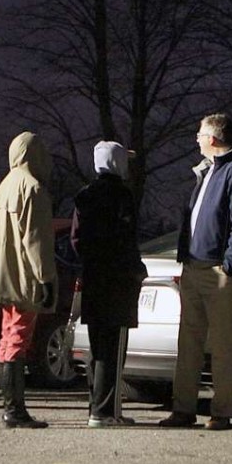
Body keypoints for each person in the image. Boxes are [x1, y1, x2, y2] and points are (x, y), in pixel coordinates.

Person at [160, 113, 232, 430]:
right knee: (188, 341)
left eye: (200, 134)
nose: (197, 140)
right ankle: (183, 408)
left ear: (213, 139)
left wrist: (229, 265)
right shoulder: (206, 173)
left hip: (216, 269)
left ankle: (221, 411)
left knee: (220, 344)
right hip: (193, 266)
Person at [0, 131, 56, 429]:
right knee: (18, 339)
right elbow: (36, 241)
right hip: (24, 275)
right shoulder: (33, 187)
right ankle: (15, 410)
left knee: (7, 338)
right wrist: (47, 279)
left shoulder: (4, 185)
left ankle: (11, 406)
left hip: (1, 274)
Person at [71, 142, 147, 427]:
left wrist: (91, 261)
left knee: (96, 347)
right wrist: (135, 269)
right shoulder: (122, 196)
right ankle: (107, 411)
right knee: (113, 350)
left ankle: (95, 406)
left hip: (93, 278)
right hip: (118, 281)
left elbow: (76, 239)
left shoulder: (84, 196)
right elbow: (126, 238)